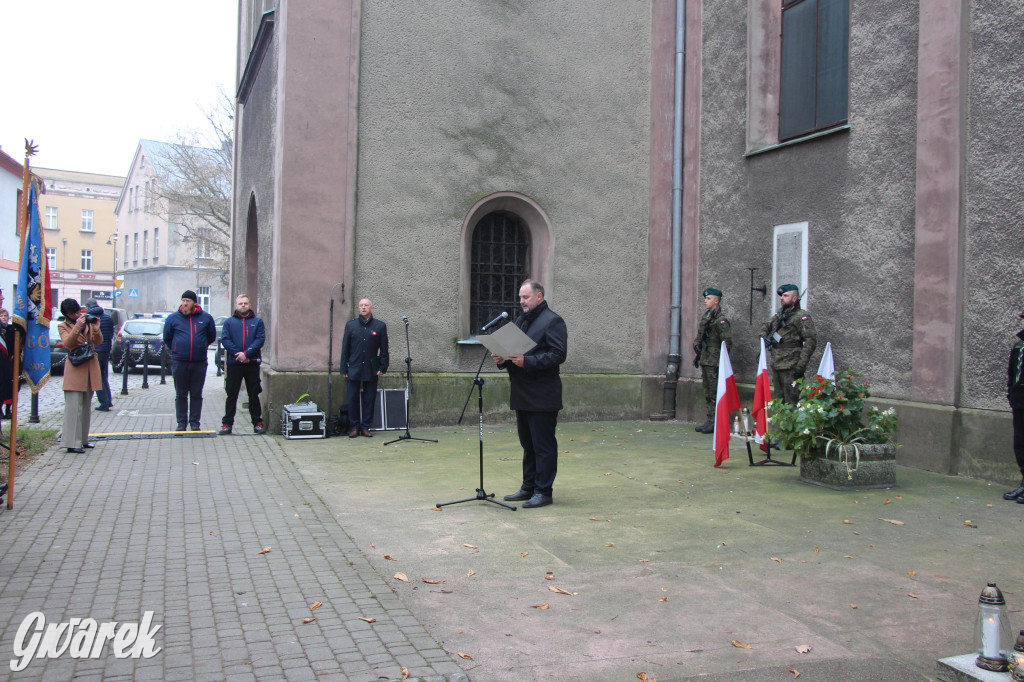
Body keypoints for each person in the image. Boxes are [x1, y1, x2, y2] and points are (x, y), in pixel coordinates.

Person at [494, 280, 568, 509]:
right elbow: (513, 353)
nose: (521, 302)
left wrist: (529, 361)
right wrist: (502, 360)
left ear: (539, 296)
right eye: (520, 297)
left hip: (543, 395)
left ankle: (544, 491)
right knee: (527, 444)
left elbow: (558, 355)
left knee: (543, 446)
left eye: (526, 297)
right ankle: (528, 487)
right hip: (522, 393)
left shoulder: (553, 321)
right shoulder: (521, 321)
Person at [162, 290, 217, 431]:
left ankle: (194, 422)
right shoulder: (173, 318)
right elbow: (167, 337)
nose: (185, 303)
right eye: (183, 300)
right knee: (180, 394)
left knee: (196, 394)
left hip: (199, 362)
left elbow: (211, 336)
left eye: (188, 301)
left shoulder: (206, 318)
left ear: (194, 303)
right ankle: (181, 422)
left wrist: (201, 346)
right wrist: (177, 347)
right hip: (180, 361)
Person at [759, 284, 817, 406]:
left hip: (791, 366)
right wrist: (764, 337)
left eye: (786, 296)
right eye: (782, 296)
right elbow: (764, 327)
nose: (782, 298)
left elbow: (810, 341)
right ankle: (782, 426)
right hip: (777, 364)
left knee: (793, 403)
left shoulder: (801, 316)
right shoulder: (780, 315)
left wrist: (801, 367)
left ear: (795, 298)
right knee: (779, 404)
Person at [57, 298, 102, 453]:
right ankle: (71, 442)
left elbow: (99, 340)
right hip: (75, 367)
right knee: (74, 407)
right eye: (75, 313)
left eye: (79, 311)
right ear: (68, 314)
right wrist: (78, 326)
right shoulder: (63, 326)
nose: (78, 314)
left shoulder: (87, 322)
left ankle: (83, 439)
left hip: (89, 366)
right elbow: (68, 343)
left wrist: (95, 328)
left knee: (86, 406)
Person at [340, 298, 389, 437]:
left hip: (371, 368)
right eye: (361, 305)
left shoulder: (380, 326)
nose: (363, 307)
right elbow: (345, 348)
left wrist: (383, 366)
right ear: (358, 308)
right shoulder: (351, 325)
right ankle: (354, 427)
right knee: (352, 398)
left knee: (369, 399)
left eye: (366, 305)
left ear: (371, 308)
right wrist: (344, 368)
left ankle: (366, 426)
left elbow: (384, 349)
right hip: (353, 367)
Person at [218, 295, 266, 435]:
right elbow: (226, 340)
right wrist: (239, 354)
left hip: (251, 364)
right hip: (234, 363)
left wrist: (247, 354)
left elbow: (260, 339)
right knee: (231, 395)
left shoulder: (257, 322)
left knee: (254, 394)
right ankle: (227, 424)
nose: (243, 305)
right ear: (236, 305)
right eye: (240, 303)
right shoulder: (229, 322)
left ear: (250, 305)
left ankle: (257, 423)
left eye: (245, 303)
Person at [692, 287, 732, 433]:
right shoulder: (707, 317)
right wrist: (697, 346)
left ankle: (717, 421)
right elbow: (700, 336)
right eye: (705, 298)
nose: (705, 301)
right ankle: (710, 420)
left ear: (716, 300)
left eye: (708, 299)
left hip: (714, 361)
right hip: (705, 359)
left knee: (715, 393)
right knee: (708, 392)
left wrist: (722, 362)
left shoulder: (721, 321)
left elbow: (727, 342)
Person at [1003, 310, 1024, 503]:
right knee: (1020, 444)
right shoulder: (1019, 346)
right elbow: (1012, 375)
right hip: (1019, 402)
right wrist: (1011, 394)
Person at [84, 299, 114, 412]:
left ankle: (104, 403)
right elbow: (111, 334)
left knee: (97, 377)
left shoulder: (90, 318)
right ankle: (108, 400)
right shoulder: (107, 317)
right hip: (106, 349)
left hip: (96, 349)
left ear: (88, 306)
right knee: (103, 375)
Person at [0, 306, 12, 419]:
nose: (4, 318)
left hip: (8, 363)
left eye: (5, 316)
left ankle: (8, 409)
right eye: (2, 316)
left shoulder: (9, 329)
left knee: (9, 387)